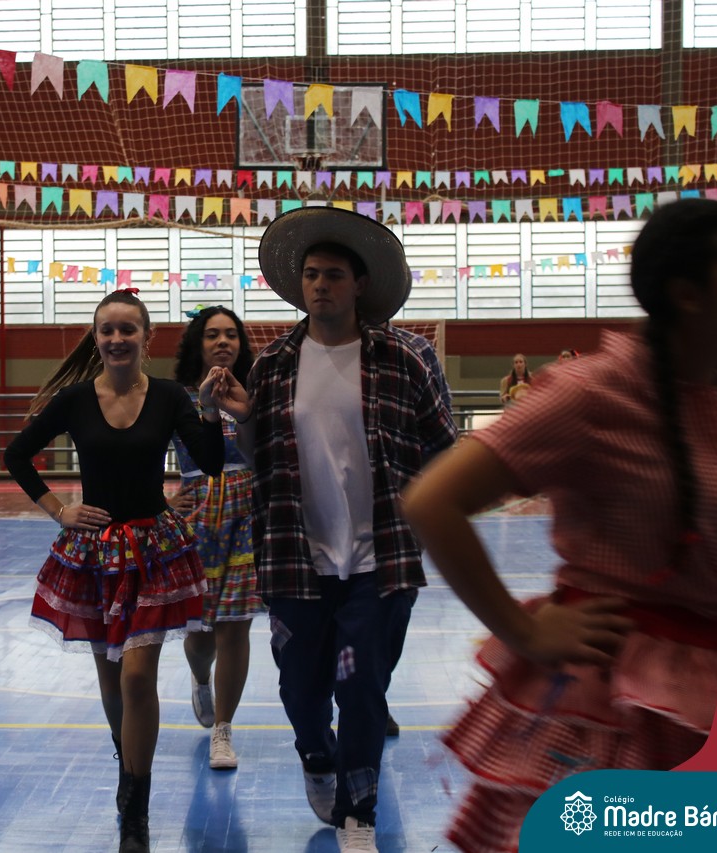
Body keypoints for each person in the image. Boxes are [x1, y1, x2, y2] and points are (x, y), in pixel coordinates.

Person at [402, 199, 717, 853]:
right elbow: (432, 500)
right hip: (615, 710)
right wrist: (524, 630)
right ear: (688, 293)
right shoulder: (591, 392)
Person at [210, 207, 456, 853]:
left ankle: (358, 814)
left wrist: (428, 515)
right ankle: (316, 756)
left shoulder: (407, 357)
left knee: (363, 687)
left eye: (334, 275)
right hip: (296, 557)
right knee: (301, 689)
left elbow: (443, 448)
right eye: (312, 274)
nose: (320, 285)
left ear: (360, 284)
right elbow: (261, 460)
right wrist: (243, 419)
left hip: (381, 559)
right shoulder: (274, 364)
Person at [4, 289, 240, 853]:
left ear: (145, 337)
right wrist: (59, 509)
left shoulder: (168, 397)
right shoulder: (74, 399)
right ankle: (126, 764)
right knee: (112, 682)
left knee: (137, 676)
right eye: (106, 330)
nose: (116, 339)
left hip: (155, 551)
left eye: (127, 329)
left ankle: (136, 811)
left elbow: (210, 462)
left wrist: (210, 411)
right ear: (96, 337)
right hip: (94, 556)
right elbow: (17, 455)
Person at [169, 306, 262, 771]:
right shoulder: (174, 398)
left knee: (236, 626)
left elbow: (267, 450)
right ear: (197, 343)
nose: (223, 341)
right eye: (212, 335)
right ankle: (200, 677)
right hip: (198, 515)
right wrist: (160, 500)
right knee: (201, 633)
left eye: (230, 334)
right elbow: (141, 450)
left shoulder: (255, 392)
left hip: (248, 511)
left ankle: (223, 730)